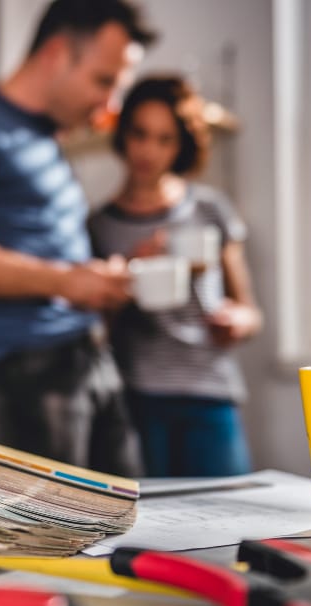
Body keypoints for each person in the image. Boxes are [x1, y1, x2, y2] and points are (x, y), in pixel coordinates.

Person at [0, 0, 157, 476]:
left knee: (128, 528)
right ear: (57, 53)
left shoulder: (46, 142)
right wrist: (64, 281)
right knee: (57, 547)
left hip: (86, 359)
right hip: (20, 370)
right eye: (103, 81)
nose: (110, 107)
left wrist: (97, 282)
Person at [88, 75, 263, 477]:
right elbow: (97, 332)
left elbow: (251, 312)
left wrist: (238, 321)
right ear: (123, 135)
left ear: (181, 145)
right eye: (140, 134)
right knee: (149, 531)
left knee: (227, 528)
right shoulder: (100, 225)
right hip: (138, 399)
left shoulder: (210, 209)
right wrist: (131, 271)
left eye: (165, 139)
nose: (149, 151)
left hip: (211, 394)